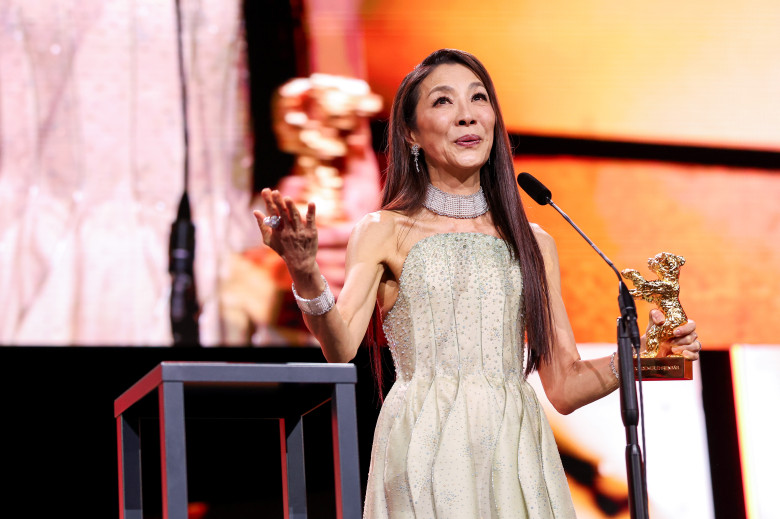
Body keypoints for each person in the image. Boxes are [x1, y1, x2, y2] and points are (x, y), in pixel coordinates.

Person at [254, 49, 701, 518]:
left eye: (478, 98)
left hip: (516, 453)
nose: (467, 115)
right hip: (425, 449)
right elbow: (340, 347)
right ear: (410, 133)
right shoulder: (383, 230)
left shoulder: (533, 241)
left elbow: (565, 387)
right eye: (443, 101)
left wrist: (643, 357)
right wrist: (305, 271)